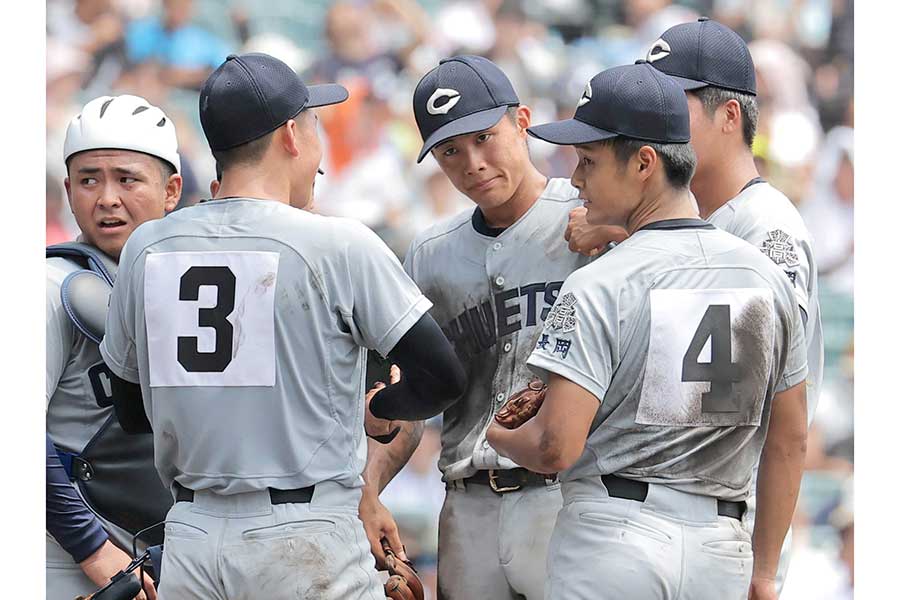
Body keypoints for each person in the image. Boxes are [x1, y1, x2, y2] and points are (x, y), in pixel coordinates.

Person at [98, 52, 466, 600]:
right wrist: (379, 410)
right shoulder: (337, 243)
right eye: (314, 123)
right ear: (292, 135)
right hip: (304, 537)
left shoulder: (147, 247)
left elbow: (131, 413)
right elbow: (442, 379)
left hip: (193, 537)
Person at [487, 62, 809, 600]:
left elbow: (553, 448)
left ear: (644, 163)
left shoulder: (602, 280)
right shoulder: (763, 276)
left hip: (614, 540)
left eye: (588, 161)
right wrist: (765, 571)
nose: (578, 179)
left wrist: (497, 433)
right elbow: (790, 435)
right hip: (720, 549)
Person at [565, 18, 824, 593]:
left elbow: (712, 402)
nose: (657, 112)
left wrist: (621, 249)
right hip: (677, 520)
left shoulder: (766, 231)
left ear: (729, 117)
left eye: (674, 97)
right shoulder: (702, 224)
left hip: (722, 519)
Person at [369, 54, 624, 600]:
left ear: (523, 120)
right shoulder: (431, 255)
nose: (473, 163)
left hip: (572, 496)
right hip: (470, 503)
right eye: (450, 151)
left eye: (485, 137)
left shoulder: (590, 218)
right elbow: (416, 401)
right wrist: (369, 487)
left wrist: (620, 232)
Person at [47, 94, 183, 600]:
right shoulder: (49, 283)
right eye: (88, 179)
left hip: (155, 558)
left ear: (171, 190)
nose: (105, 197)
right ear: (67, 190)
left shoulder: (181, 286)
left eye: (126, 179)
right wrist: (93, 551)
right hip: (64, 564)